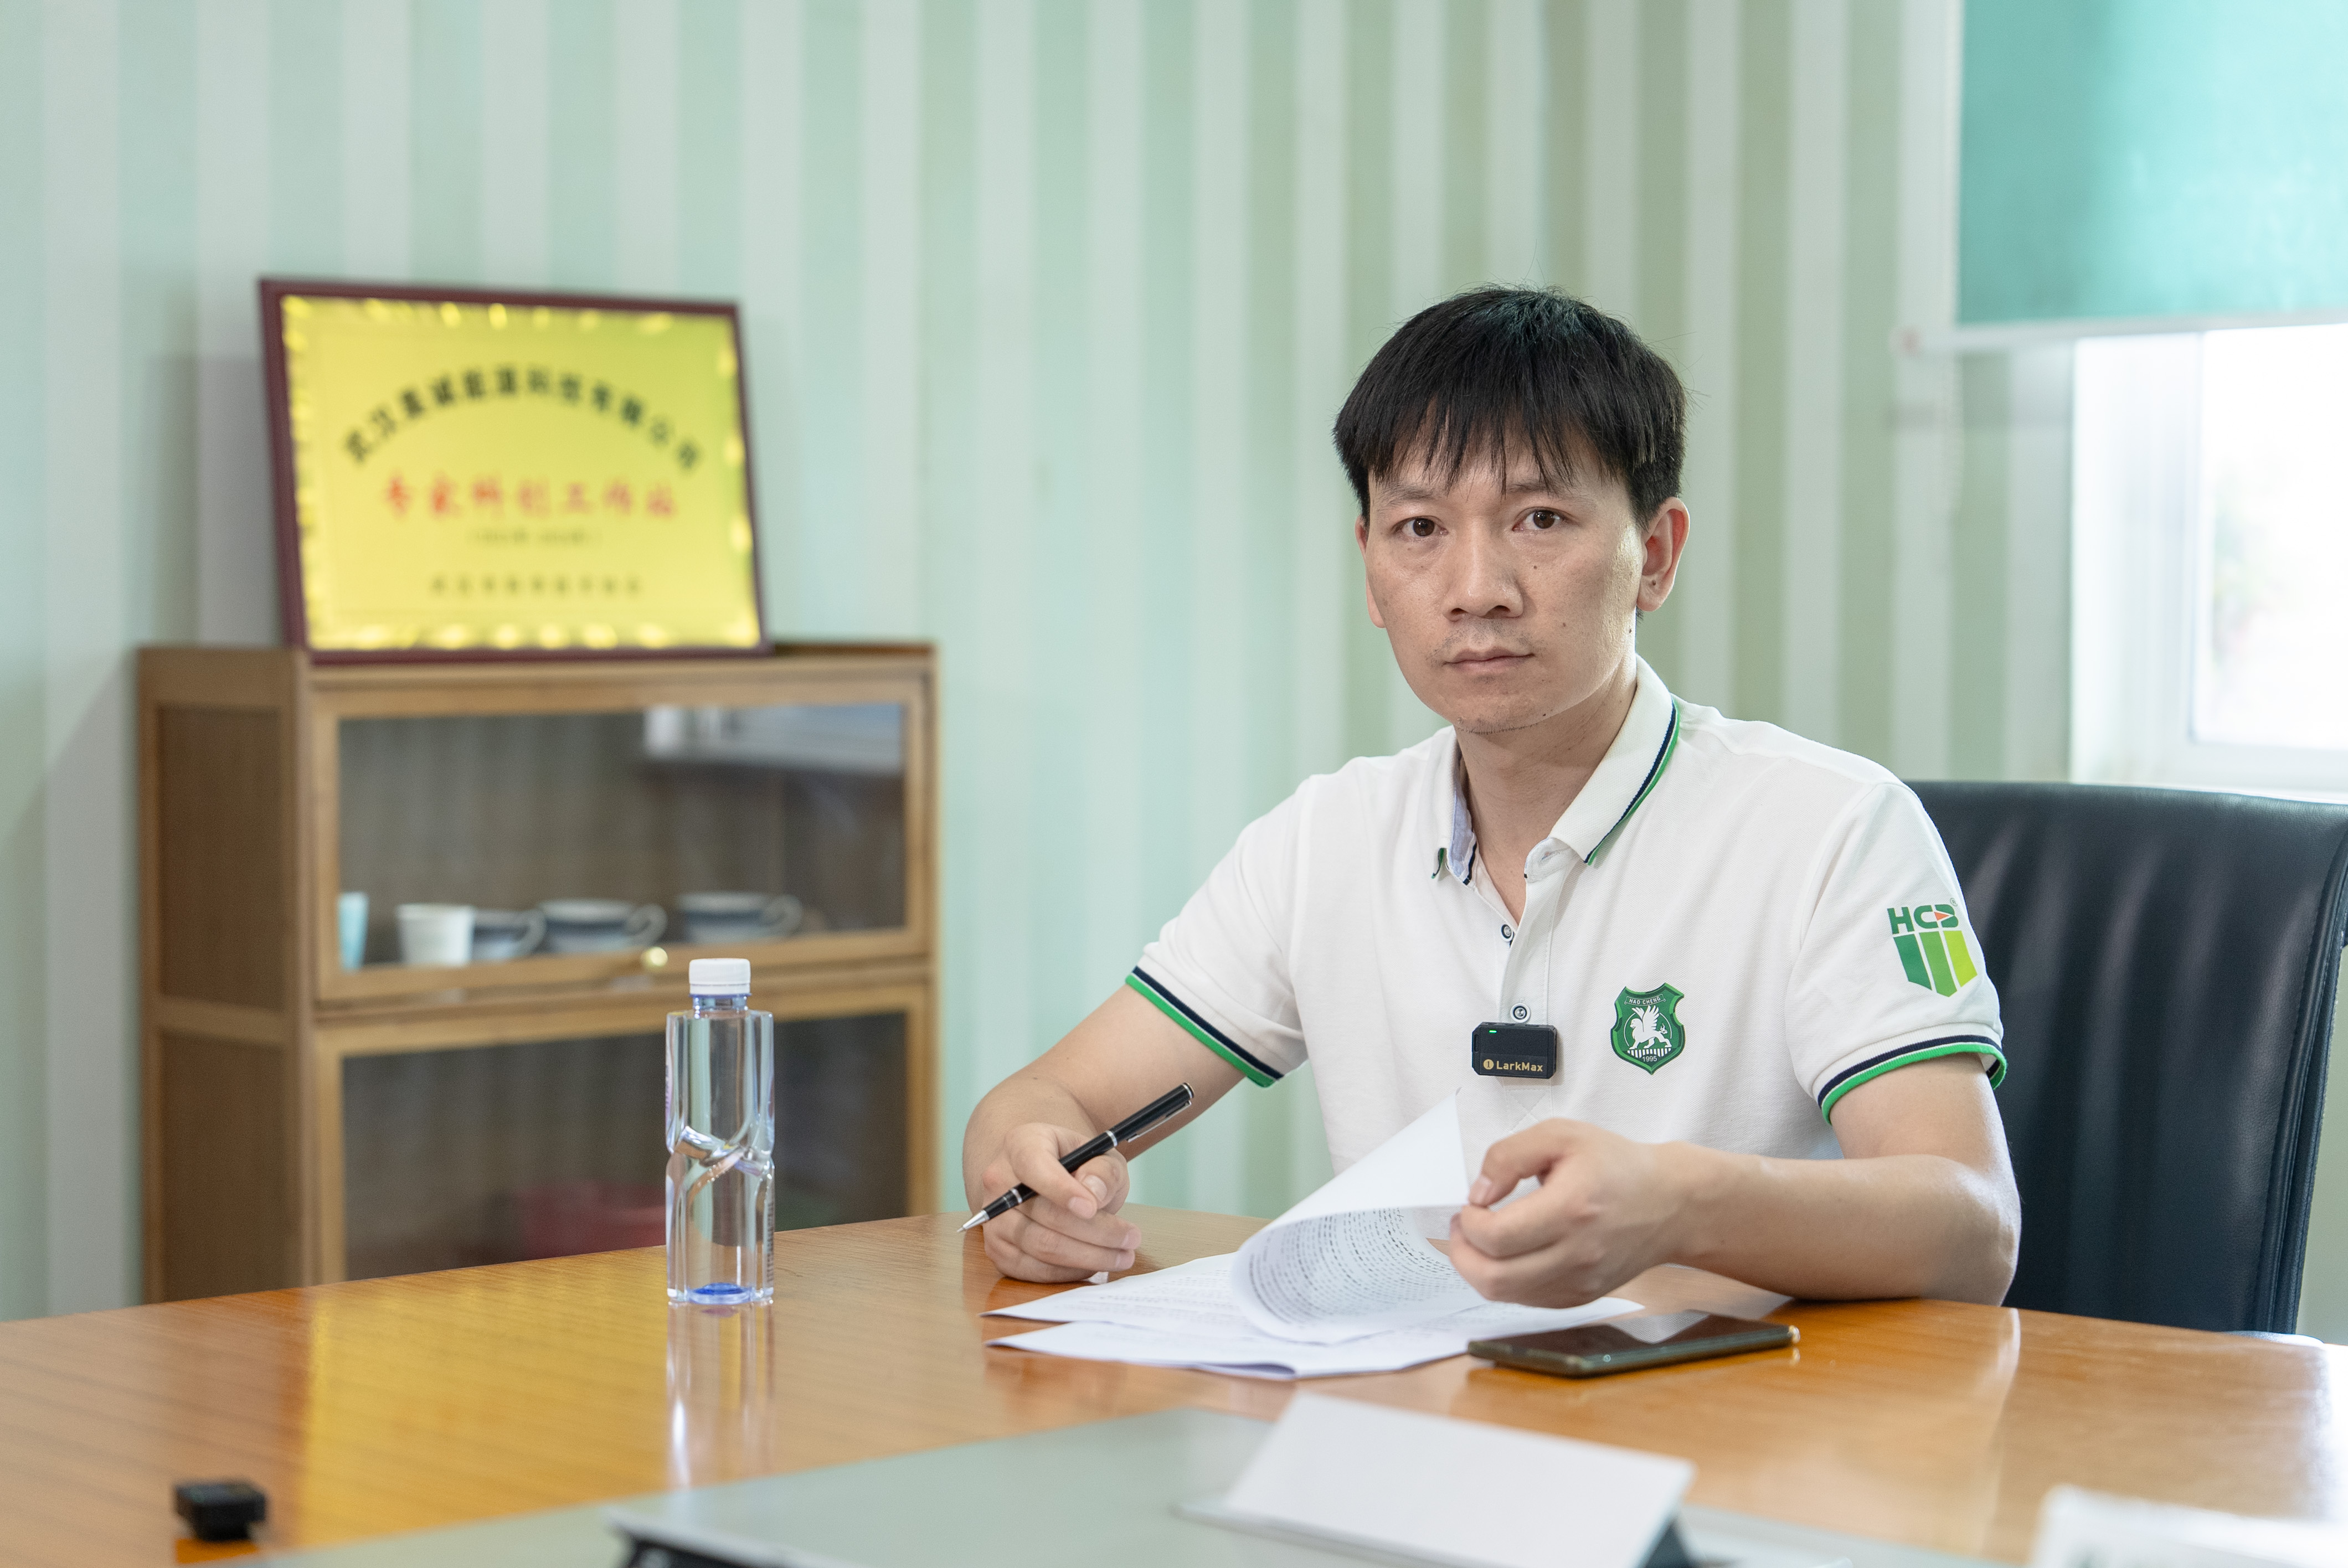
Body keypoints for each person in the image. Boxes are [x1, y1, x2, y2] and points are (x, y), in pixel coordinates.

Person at [961, 286, 2020, 1309]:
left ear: (1654, 556)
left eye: (1540, 518)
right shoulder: (1325, 840)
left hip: (1734, 1412)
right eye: (1420, 528)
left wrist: (1681, 1204)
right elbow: (1045, 1103)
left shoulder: (1831, 826)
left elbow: (1972, 1226)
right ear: (1371, 570)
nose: (1476, 589)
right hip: (1414, 1406)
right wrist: (1026, 1179)